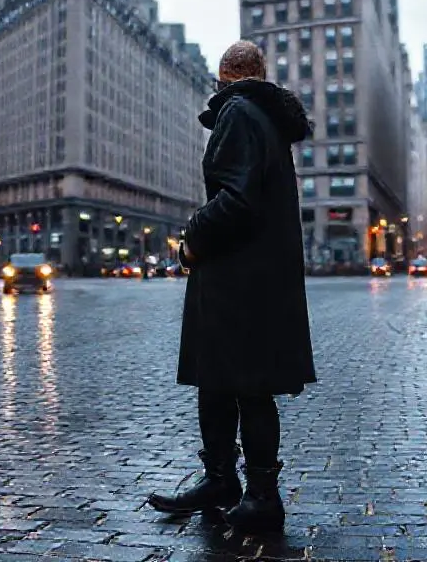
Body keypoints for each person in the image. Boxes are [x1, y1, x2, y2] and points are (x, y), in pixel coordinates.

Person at [147, 40, 316, 534]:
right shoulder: (265, 118)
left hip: (237, 279)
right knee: (222, 381)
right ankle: (221, 480)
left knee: (248, 389)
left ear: (222, 78)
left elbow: (235, 200)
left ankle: (261, 497)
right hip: (253, 278)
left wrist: (192, 240)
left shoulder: (238, 113)